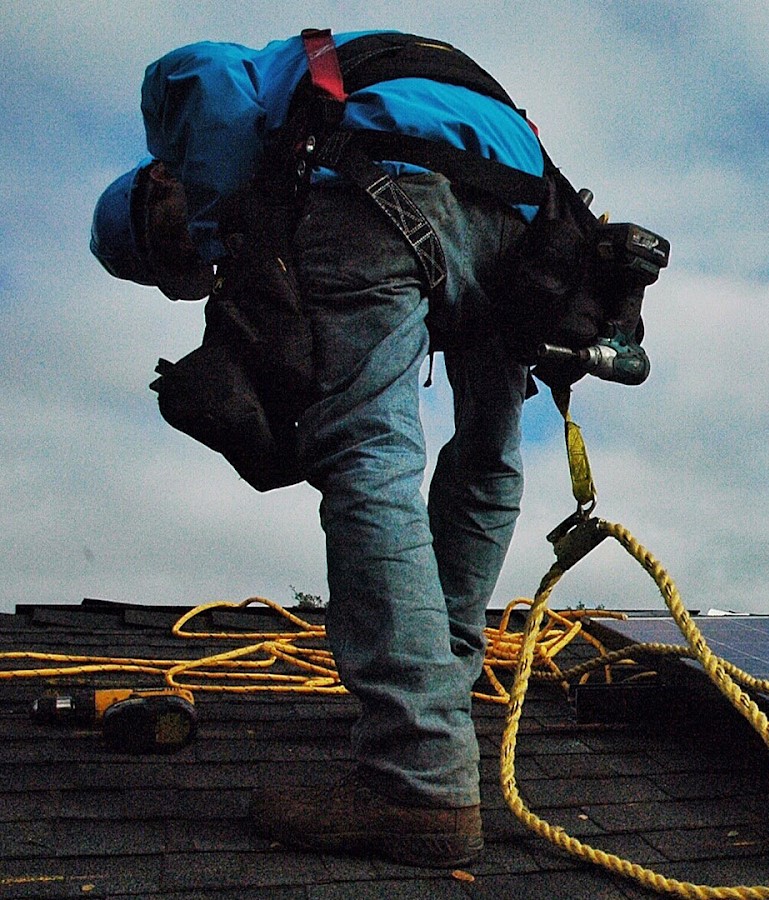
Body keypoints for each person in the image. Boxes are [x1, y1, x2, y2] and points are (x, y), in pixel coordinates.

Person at [91, 31, 556, 868]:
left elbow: (202, 75)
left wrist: (230, 245)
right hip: (517, 212)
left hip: (380, 182)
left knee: (368, 460)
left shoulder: (179, 120)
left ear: (158, 179)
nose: (193, 262)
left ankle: (419, 776)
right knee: (487, 459)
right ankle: (432, 704)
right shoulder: (310, 99)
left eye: (170, 248)